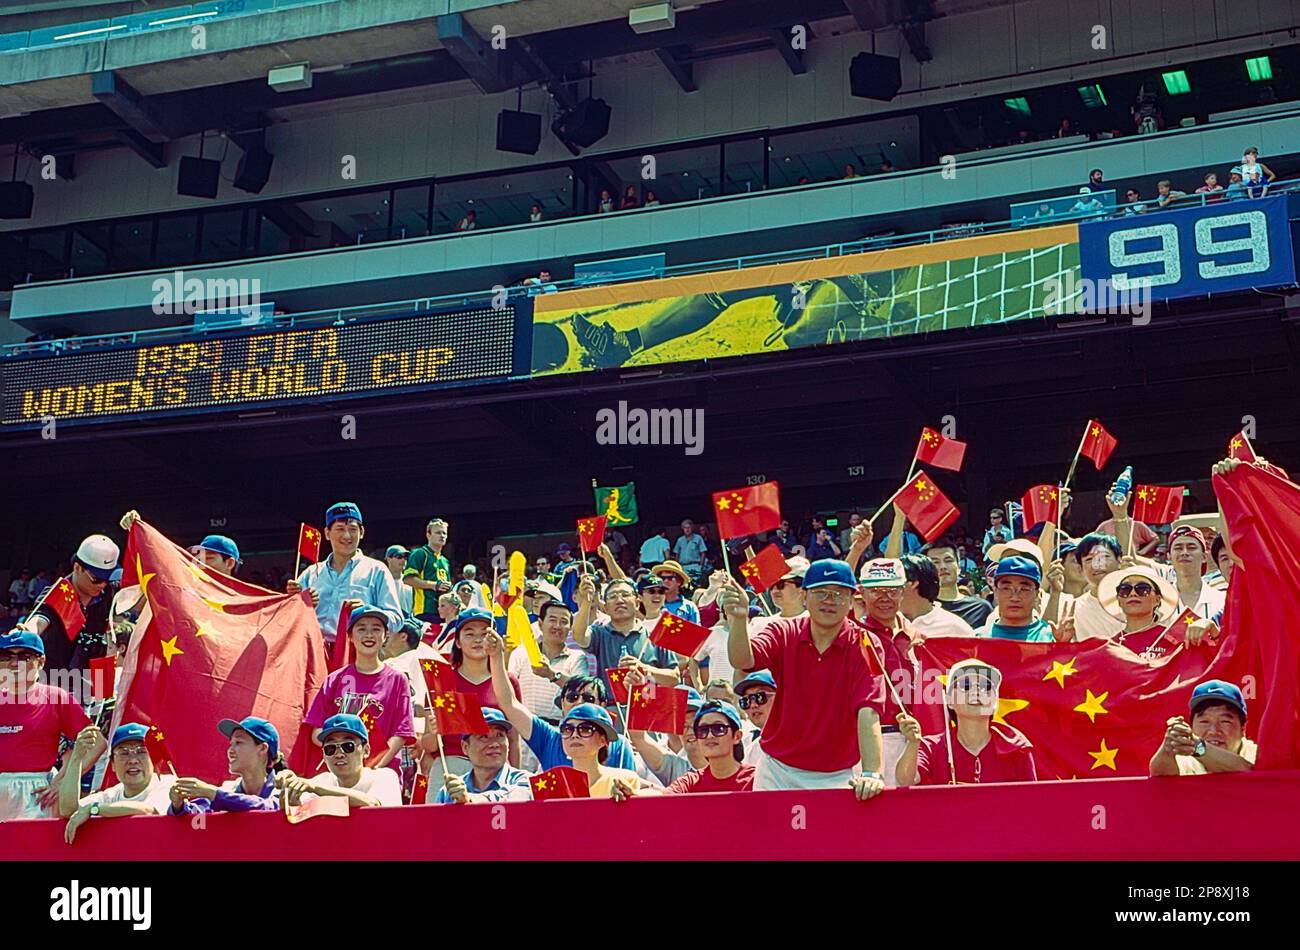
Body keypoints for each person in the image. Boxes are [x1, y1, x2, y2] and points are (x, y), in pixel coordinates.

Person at [724, 560, 885, 799]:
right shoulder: (782, 631)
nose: (829, 601)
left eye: (839, 594)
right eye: (820, 592)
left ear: (852, 600)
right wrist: (738, 619)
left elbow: (868, 710)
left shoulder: (866, 644)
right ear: (804, 595)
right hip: (775, 770)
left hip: (835, 775)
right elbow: (743, 660)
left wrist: (872, 772)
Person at [0, 629, 100, 821]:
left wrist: (62, 782)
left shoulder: (55, 697)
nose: (14, 663)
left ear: (41, 661)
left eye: (25, 656)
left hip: (35, 794)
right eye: (6, 656)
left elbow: (97, 743)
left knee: (33, 850)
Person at [304, 604, 415, 773]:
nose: (369, 635)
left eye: (376, 629)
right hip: (339, 775)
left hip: (380, 773)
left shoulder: (398, 680)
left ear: (385, 636)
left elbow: (401, 733)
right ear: (350, 636)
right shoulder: (334, 680)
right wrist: (342, 752)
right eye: (361, 629)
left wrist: (373, 767)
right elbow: (316, 731)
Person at [420, 608, 523, 784]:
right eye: (469, 634)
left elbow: (513, 739)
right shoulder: (441, 680)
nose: (477, 640)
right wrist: (436, 731)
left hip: (495, 768)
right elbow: (430, 746)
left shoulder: (508, 680)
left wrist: (516, 778)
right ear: (458, 642)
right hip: (451, 767)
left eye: (485, 634)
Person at [896, 659, 1037, 785]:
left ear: (995, 702)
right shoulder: (931, 747)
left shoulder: (1017, 748)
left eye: (986, 685)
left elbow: (1030, 801)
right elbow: (905, 781)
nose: (976, 690)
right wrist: (913, 744)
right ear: (949, 700)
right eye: (965, 685)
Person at [289, 502, 403, 650]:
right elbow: (291, 617)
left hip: (357, 654)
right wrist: (293, 599)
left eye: (352, 529)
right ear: (327, 533)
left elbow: (397, 620)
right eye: (340, 529)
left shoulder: (377, 571)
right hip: (312, 652)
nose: (347, 536)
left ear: (362, 532)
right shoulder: (311, 574)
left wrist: (370, 613)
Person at [21, 534, 119, 688]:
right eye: (97, 579)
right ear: (77, 568)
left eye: (107, 579)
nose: (102, 585)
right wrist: (27, 631)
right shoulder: (56, 594)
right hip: (57, 683)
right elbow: (40, 619)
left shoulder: (110, 593)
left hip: (97, 682)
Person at [59, 723, 177, 844]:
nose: (133, 760)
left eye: (141, 752)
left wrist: (94, 809)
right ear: (113, 765)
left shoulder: (169, 784)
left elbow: (148, 810)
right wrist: (76, 758)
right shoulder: (110, 795)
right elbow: (69, 811)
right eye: (124, 753)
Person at [573, 575, 679, 696]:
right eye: (613, 596)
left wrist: (645, 669)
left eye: (625, 595)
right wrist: (586, 601)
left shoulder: (655, 636)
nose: (619, 600)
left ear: (637, 603)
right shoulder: (599, 633)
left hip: (646, 705)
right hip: (610, 709)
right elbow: (579, 636)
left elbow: (674, 677)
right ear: (606, 608)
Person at [276, 714, 403, 808]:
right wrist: (289, 790)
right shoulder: (323, 780)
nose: (339, 754)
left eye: (348, 746)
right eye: (330, 749)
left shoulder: (385, 776)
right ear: (324, 756)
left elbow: (372, 803)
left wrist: (313, 787)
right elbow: (297, 814)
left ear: (366, 751)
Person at [168, 717, 281, 815]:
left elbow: (270, 808)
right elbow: (197, 817)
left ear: (262, 748)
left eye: (239, 742)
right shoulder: (228, 789)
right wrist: (178, 806)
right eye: (231, 744)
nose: (230, 751)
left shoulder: (283, 789)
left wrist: (214, 794)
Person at [1149, 680, 1255, 776]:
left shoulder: (1256, 755)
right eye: (1204, 722)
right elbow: (1160, 778)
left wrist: (1197, 747)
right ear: (1192, 727)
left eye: (1225, 722)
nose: (1213, 731)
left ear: (1243, 728)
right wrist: (1169, 747)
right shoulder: (1186, 756)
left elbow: (1250, 772)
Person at [506, 600, 589, 722]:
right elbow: (508, 686)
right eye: (552, 620)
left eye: (564, 622)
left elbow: (583, 690)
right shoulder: (520, 653)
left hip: (560, 728)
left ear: (570, 628)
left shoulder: (577, 658)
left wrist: (552, 675)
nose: (557, 626)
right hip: (524, 726)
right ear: (540, 624)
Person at [434, 708, 532, 804]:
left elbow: (516, 798)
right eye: (484, 736)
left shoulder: (526, 781)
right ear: (465, 747)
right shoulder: (449, 793)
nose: (495, 744)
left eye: (500, 735)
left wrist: (470, 799)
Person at [556, 703, 652, 800]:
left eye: (585, 729)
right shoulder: (552, 785)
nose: (574, 735)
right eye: (567, 729)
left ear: (603, 741)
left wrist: (630, 799)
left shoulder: (625, 780)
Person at [664, 700, 755, 793]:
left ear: (737, 736)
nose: (710, 735)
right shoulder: (691, 782)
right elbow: (662, 797)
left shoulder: (755, 779)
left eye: (719, 728)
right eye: (703, 730)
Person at [1096, 566, 1181, 658]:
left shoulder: (1174, 640)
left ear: (1157, 600)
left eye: (1142, 589)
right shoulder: (1109, 647)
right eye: (1125, 589)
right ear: (1119, 601)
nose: (1133, 593)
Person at [923, 537, 993, 628]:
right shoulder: (921, 610)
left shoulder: (981, 608)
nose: (943, 566)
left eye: (948, 561)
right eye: (935, 562)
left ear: (959, 567)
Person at [981, 557, 1056, 641]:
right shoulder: (978, 641)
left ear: (1036, 593)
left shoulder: (1050, 638)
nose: (1015, 598)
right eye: (1006, 588)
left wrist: (1062, 648)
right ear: (996, 591)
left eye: (1024, 589)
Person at [898, 554, 974, 637]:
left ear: (913, 584)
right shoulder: (885, 623)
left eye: (895, 583)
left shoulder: (955, 628)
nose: (886, 590)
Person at [1166, 525, 1226, 619]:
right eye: (1178, 548)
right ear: (1169, 557)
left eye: (1191, 547)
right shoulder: (1159, 602)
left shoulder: (1222, 600)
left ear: (1204, 557)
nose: (1184, 552)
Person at [405, 518, 452, 623]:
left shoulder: (445, 561)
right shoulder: (420, 553)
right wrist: (434, 585)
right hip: (425, 611)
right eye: (438, 532)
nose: (442, 536)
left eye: (444, 533)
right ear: (428, 535)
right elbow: (408, 579)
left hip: (443, 613)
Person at [735, 669, 777, 766]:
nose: (753, 705)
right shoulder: (751, 752)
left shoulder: (802, 739)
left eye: (760, 697)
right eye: (746, 701)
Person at [384, 545, 415, 618]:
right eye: (399, 557)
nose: (403, 560)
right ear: (389, 559)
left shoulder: (410, 581)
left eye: (405, 557)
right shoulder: (381, 580)